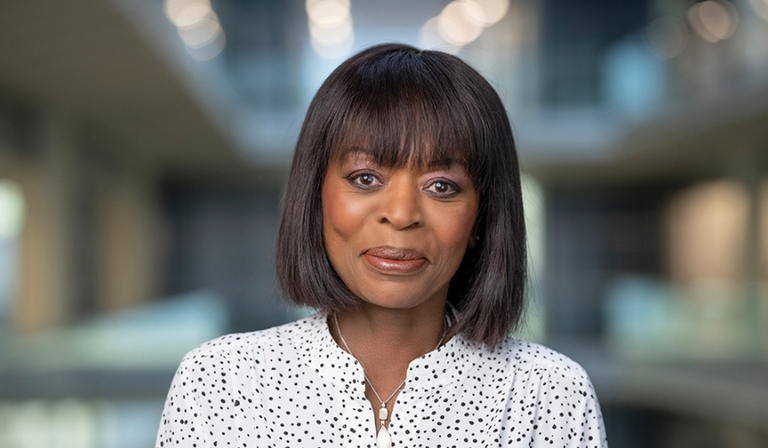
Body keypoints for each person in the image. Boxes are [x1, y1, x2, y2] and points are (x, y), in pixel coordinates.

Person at [156, 43, 608, 448]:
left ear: (481, 217)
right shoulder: (220, 382)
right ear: (316, 198)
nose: (402, 212)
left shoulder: (550, 393)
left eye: (442, 186)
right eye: (366, 178)